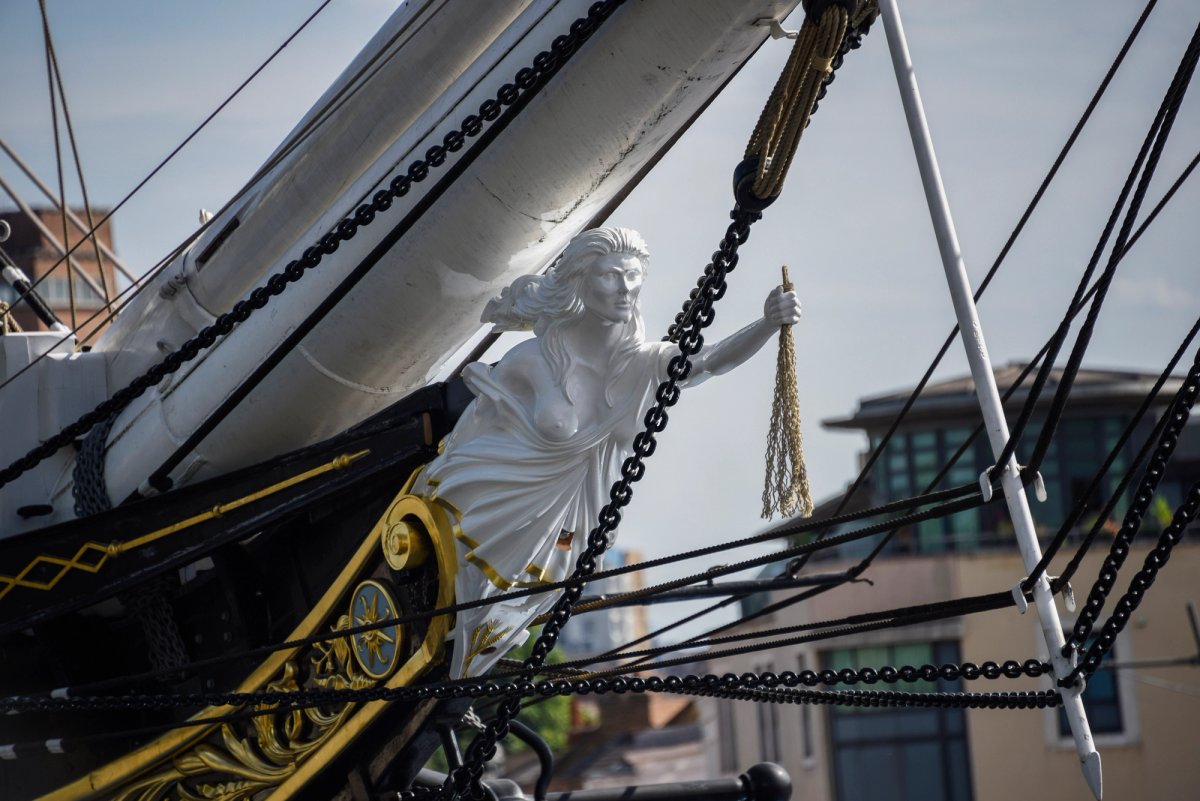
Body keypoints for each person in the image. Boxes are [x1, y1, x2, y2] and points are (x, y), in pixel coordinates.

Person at [413, 226, 800, 677]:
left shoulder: (643, 364)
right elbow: (473, 430)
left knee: (505, 617)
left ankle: (457, 673)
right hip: (496, 501)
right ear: (580, 281)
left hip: (572, 519)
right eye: (611, 276)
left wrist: (768, 324)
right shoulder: (532, 359)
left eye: (633, 276)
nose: (625, 288)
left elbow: (708, 362)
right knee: (462, 598)